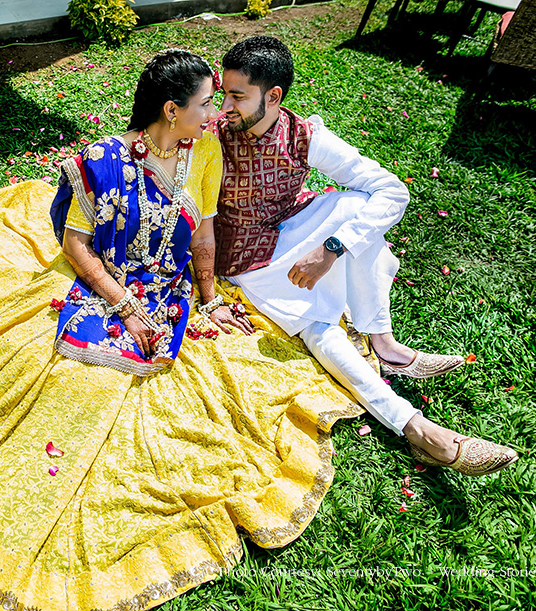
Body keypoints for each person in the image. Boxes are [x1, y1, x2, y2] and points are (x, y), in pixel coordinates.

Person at [0, 50, 366, 611]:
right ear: (170, 110)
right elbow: (76, 245)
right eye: (204, 104)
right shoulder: (101, 162)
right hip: (104, 281)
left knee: (141, 387)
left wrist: (210, 299)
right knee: (57, 371)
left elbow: (204, 236)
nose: (214, 114)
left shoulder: (205, 154)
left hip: (170, 288)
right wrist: (123, 303)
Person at [213, 36, 518, 477]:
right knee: (318, 327)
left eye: (237, 95)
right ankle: (416, 428)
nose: (226, 105)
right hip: (248, 259)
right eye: (224, 93)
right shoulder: (215, 133)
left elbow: (392, 189)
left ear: (273, 96)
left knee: (359, 208)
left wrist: (331, 248)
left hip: (295, 226)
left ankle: (384, 342)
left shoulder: (304, 135)